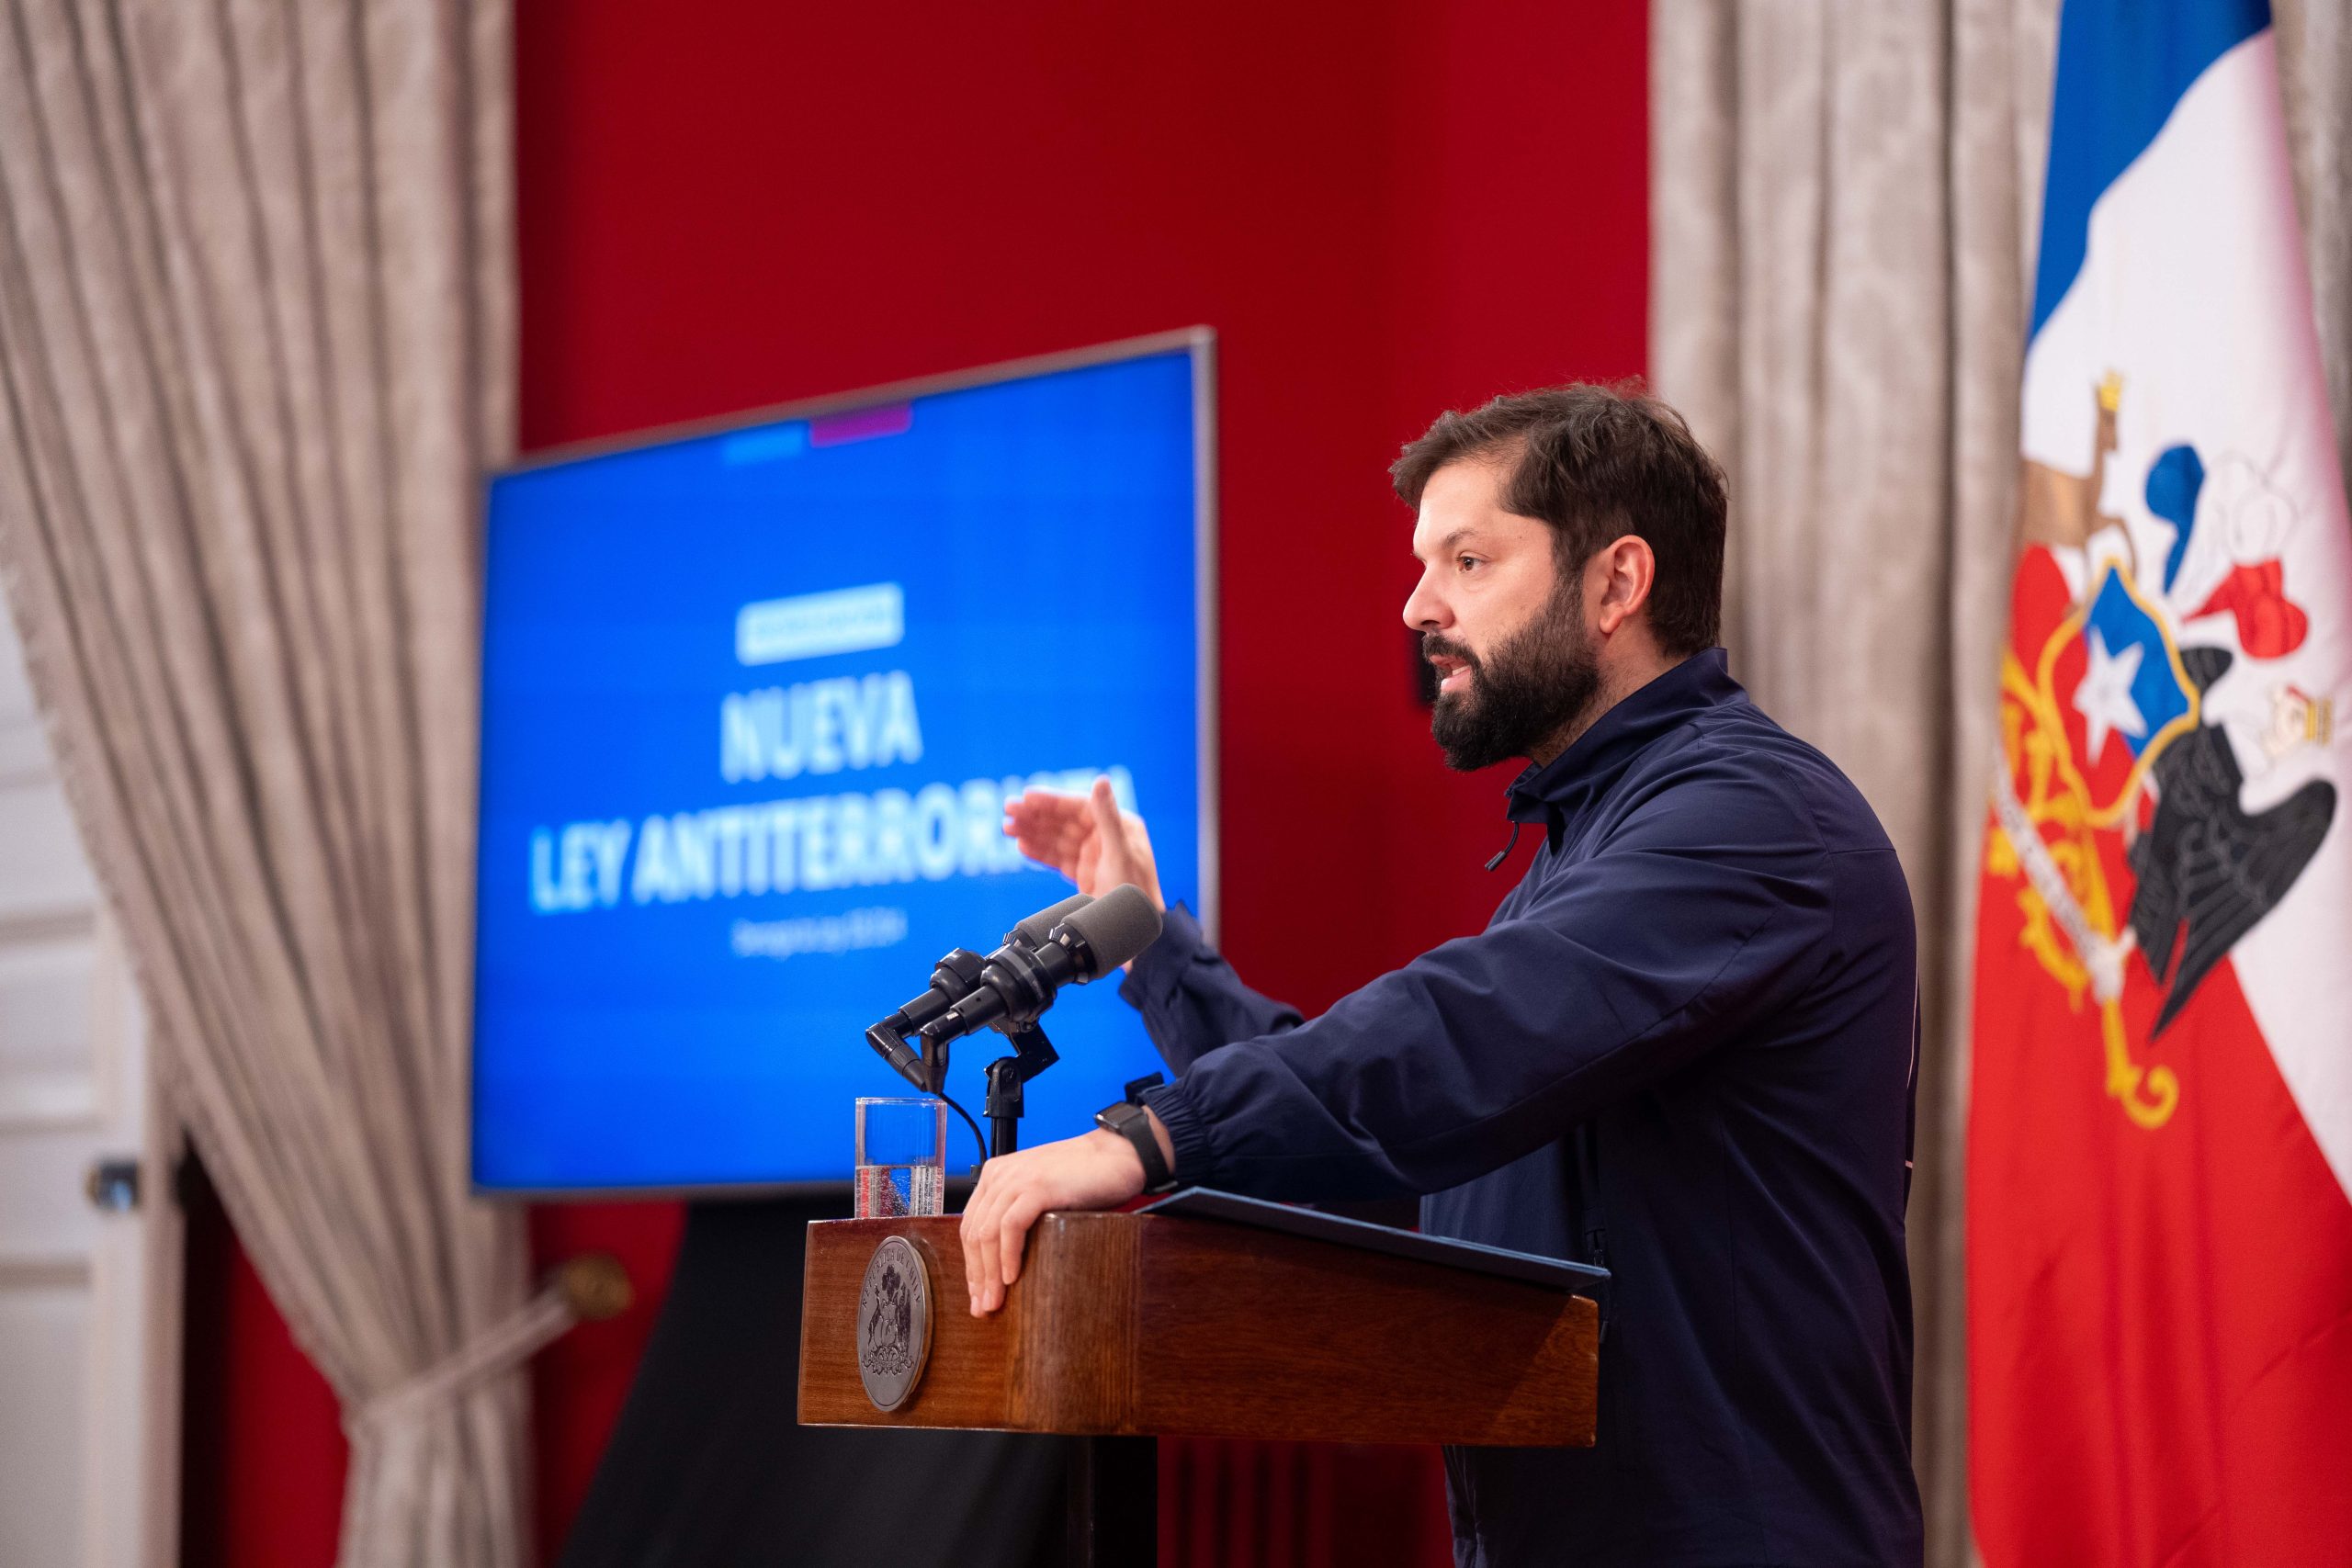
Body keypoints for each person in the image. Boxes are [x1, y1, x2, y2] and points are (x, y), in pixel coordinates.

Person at [961, 383, 1924, 1568]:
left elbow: (1465, 1035)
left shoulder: (1754, 819)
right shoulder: (1592, 846)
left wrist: (1152, 1138)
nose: (1418, 607)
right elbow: (1400, 1137)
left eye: (1468, 561)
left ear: (1617, 583)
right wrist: (1154, 943)